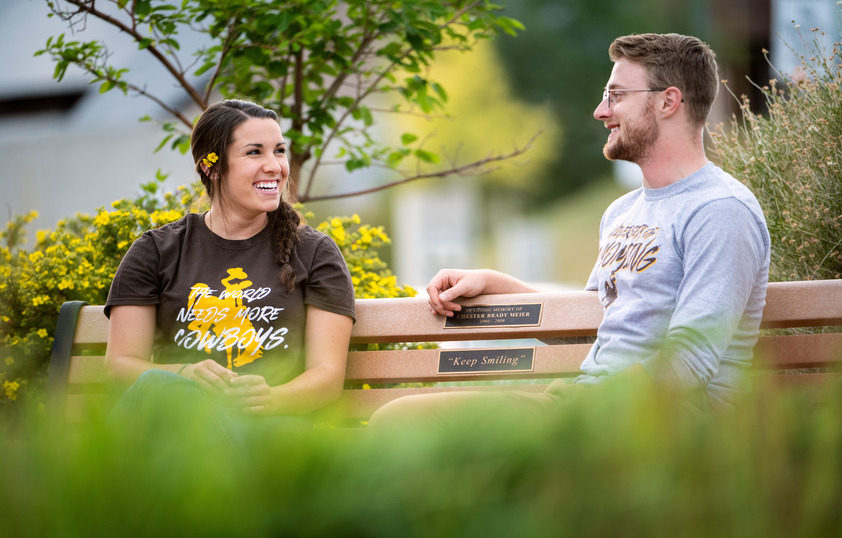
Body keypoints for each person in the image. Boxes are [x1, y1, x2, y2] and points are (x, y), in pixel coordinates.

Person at [369, 33, 770, 429]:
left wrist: (577, 410)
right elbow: (587, 327)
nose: (600, 110)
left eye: (616, 96)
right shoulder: (623, 212)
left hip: (660, 429)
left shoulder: (719, 211)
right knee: (398, 420)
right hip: (586, 408)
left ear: (668, 101)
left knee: (407, 428)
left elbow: (688, 363)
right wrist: (494, 283)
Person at [104, 100, 356, 442]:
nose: (275, 166)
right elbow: (120, 366)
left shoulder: (314, 253)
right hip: (174, 429)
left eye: (279, 151)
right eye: (254, 152)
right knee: (159, 389)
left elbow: (327, 376)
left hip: (266, 436)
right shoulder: (156, 251)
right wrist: (184, 374)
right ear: (211, 167)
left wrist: (271, 398)